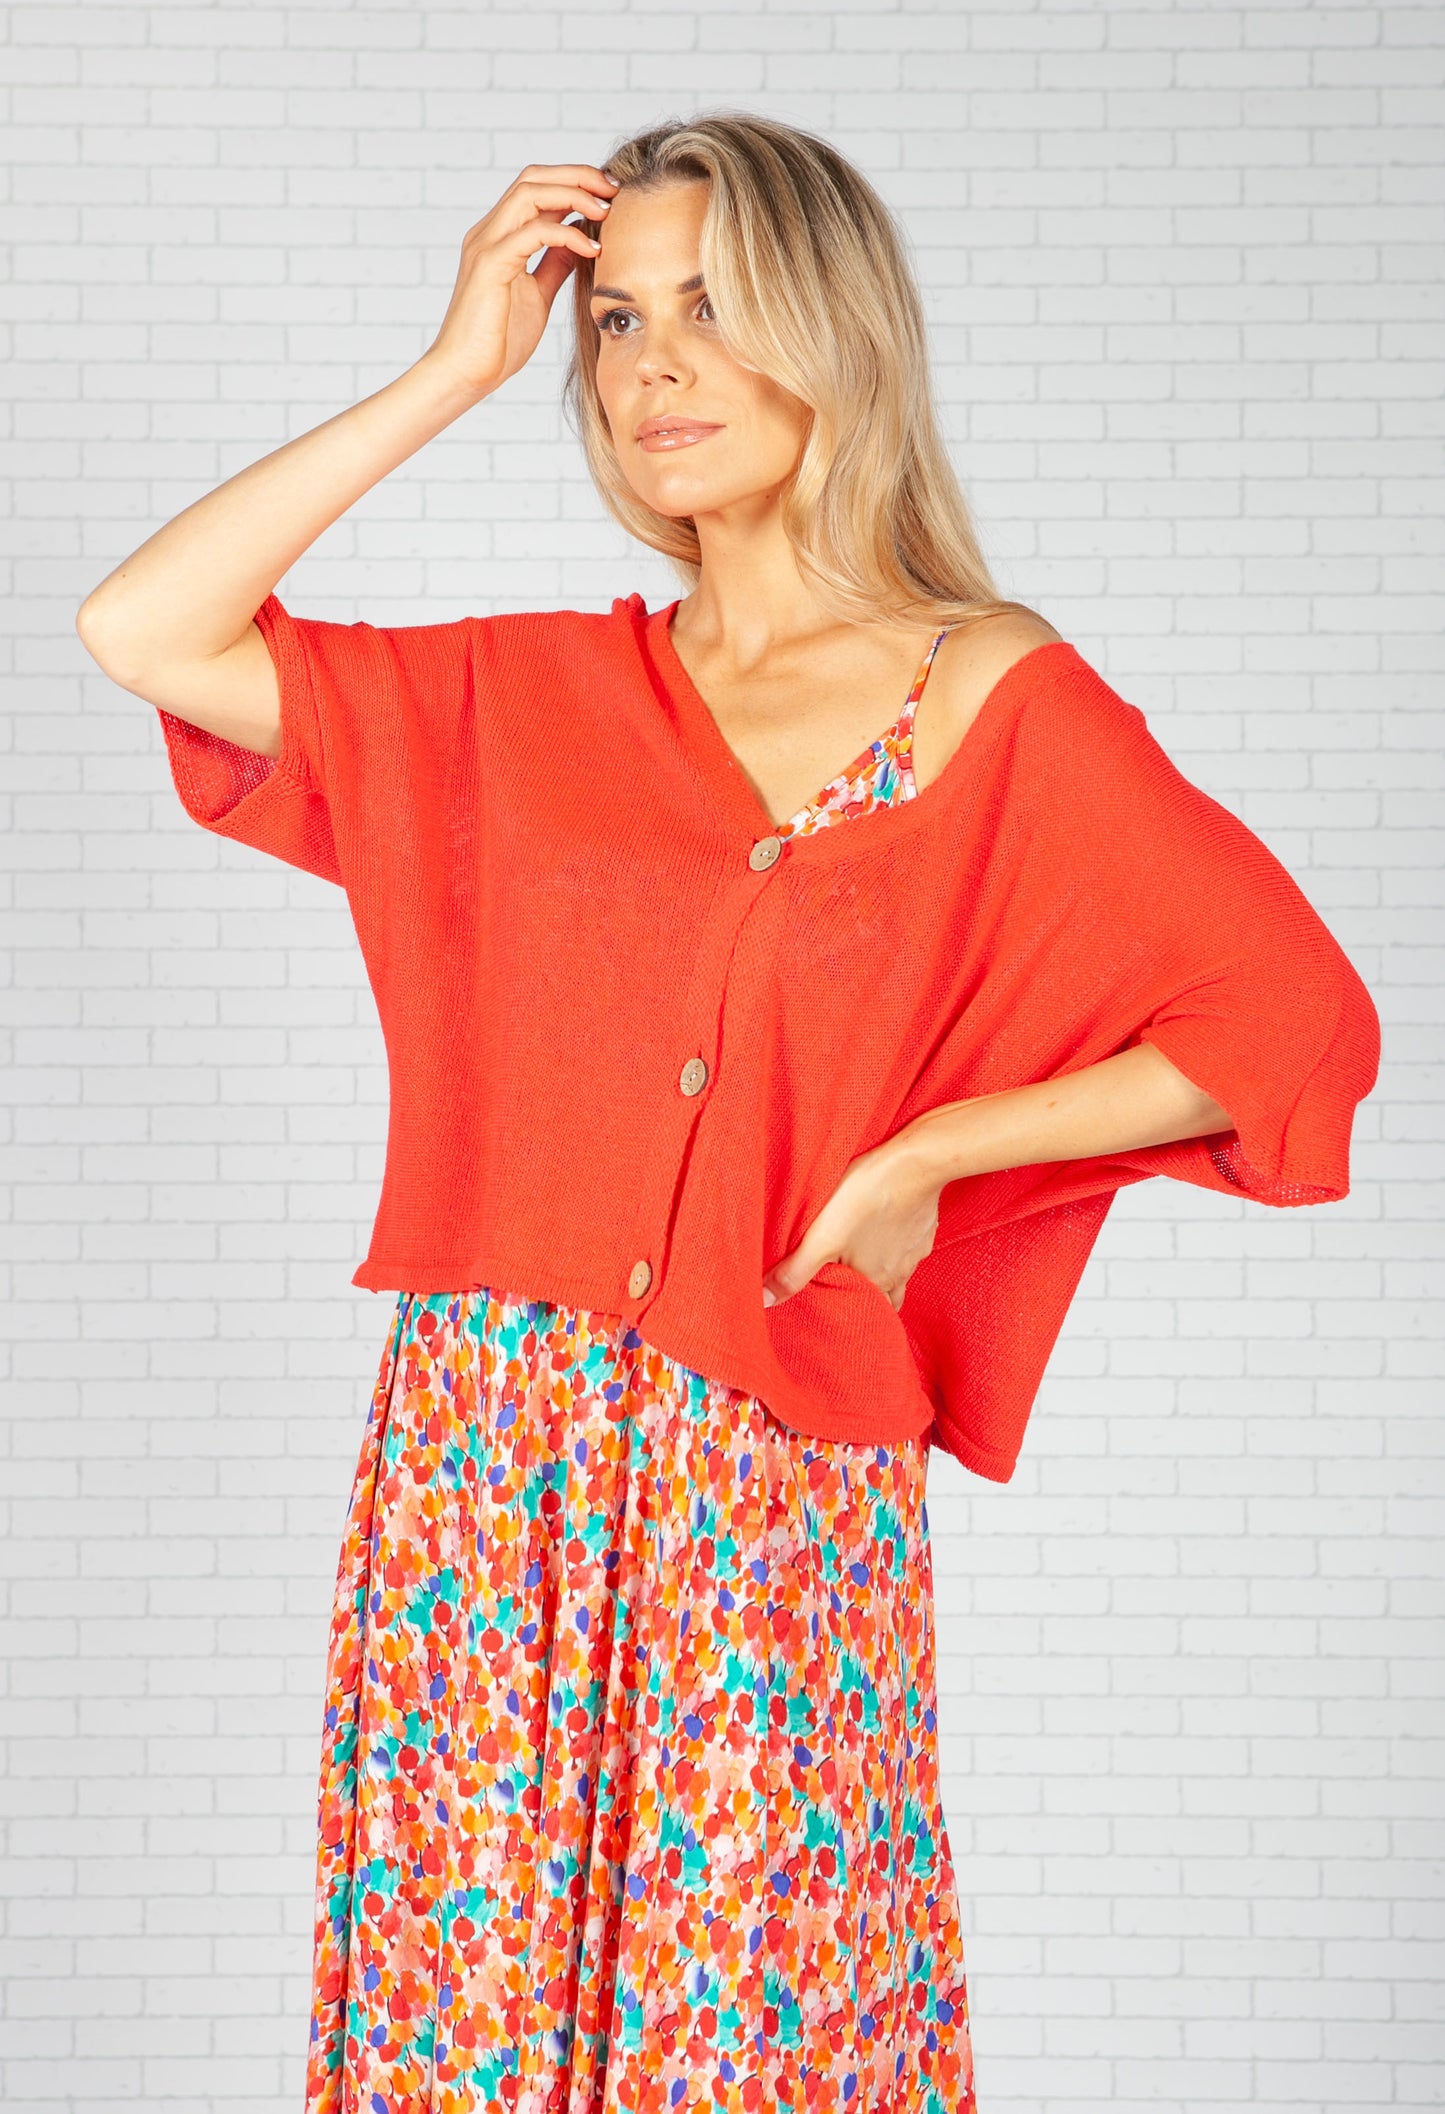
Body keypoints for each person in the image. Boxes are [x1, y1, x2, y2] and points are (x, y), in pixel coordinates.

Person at [76, 112, 1378, 2114]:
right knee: (465, 2012)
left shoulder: (981, 693)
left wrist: (928, 1157)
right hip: (487, 1473)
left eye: (711, 308)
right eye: (614, 321)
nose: (652, 365)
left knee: (758, 2020)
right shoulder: (521, 701)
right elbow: (144, 631)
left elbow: (1289, 1023)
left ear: (831, 332)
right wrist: (453, 366)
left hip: (770, 1479)